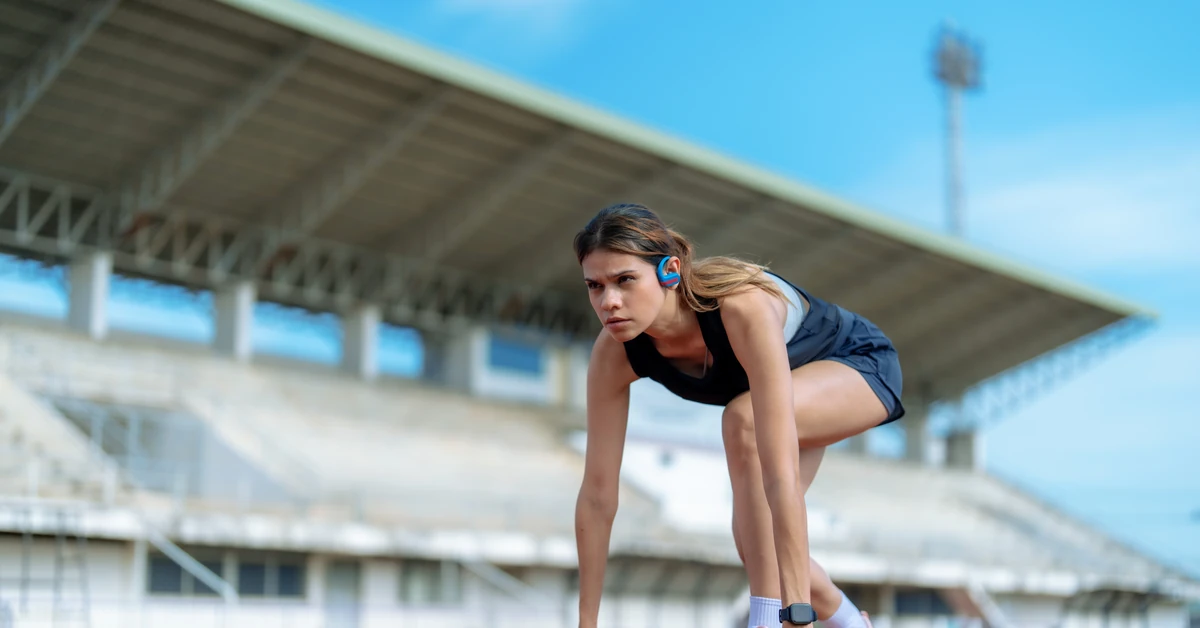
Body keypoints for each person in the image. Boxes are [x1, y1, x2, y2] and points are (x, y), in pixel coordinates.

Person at [572, 204, 904, 628]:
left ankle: (764, 622)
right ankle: (854, 624)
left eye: (625, 280)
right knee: (754, 542)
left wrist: (794, 615)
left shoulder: (741, 308)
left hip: (856, 365)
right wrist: (587, 623)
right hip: (778, 395)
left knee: (742, 421)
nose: (609, 302)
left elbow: (780, 475)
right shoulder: (614, 353)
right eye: (594, 286)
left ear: (670, 271)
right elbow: (598, 496)